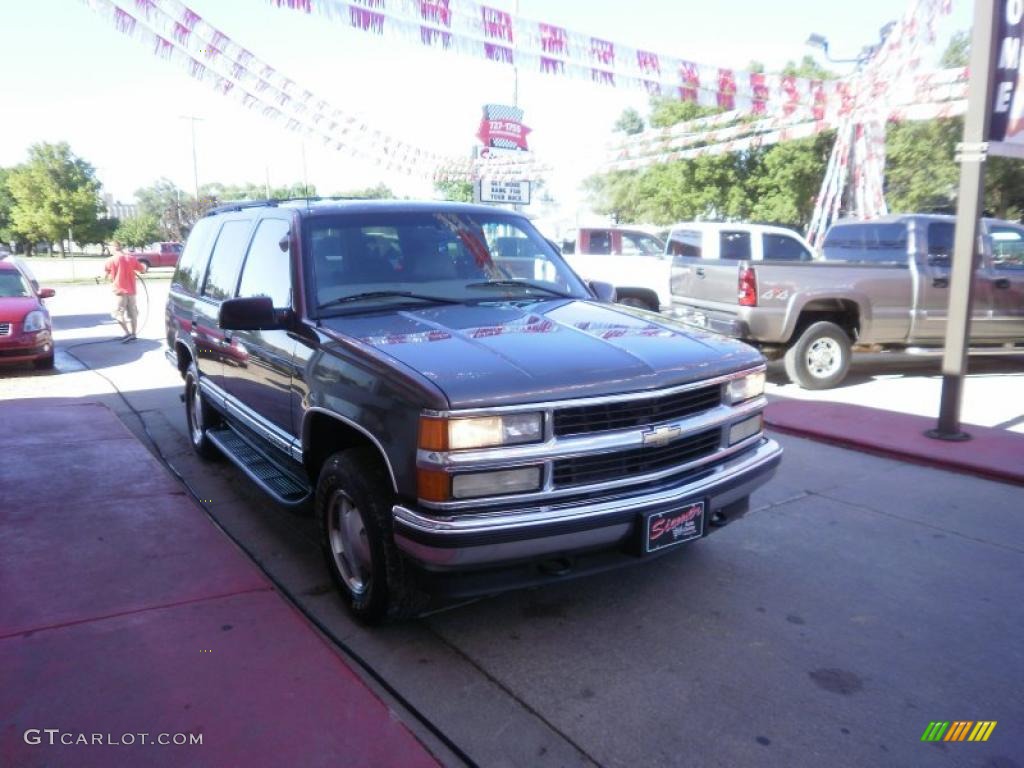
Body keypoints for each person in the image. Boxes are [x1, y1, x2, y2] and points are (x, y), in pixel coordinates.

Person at [104, 240, 146, 342]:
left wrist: (111, 276)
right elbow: (142, 269)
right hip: (131, 291)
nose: (108, 249)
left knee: (118, 313)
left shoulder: (110, 260)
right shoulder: (131, 258)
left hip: (119, 291)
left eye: (109, 247)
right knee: (133, 314)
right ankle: (133, 334)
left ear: (114, 247)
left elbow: (107, 276)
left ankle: (127, 334)